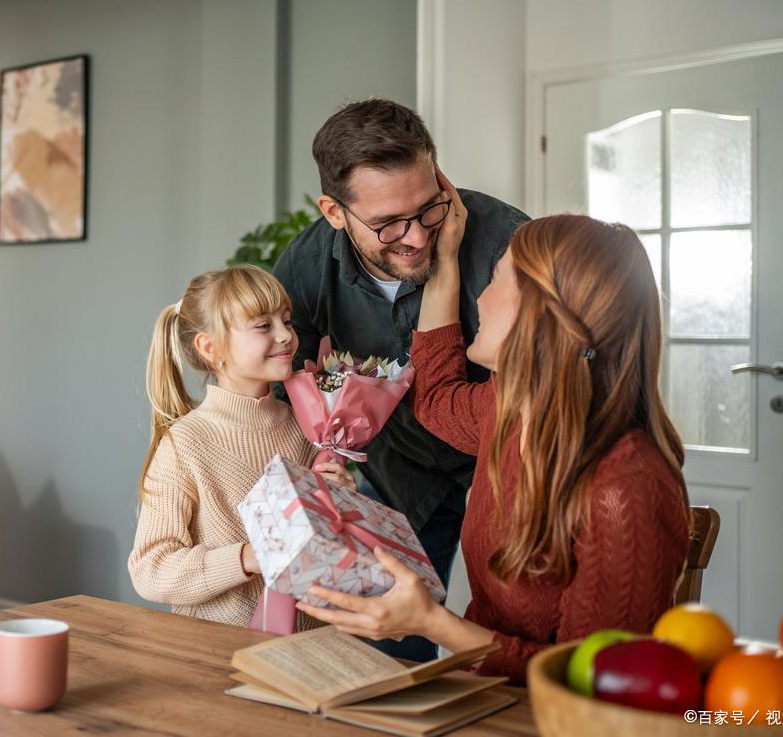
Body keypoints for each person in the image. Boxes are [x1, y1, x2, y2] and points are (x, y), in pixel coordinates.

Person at [298, 194, 692, 684]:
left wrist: (431, 623)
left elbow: (594, 680)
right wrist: (442, 263)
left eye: (499, 276)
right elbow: (436, 396)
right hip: (483, 697)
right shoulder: (510, 409)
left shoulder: (627, 485)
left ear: (544, 313)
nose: (480, 296)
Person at [273, 98, 528, 660]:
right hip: (393, 479)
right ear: (335, 213)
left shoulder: (507, 243)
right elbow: (281, 376)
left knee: (511, 646)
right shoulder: (308, 265)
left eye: (429, 208)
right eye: (388, 225)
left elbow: (553, 381)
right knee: (387, 654)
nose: (416, 237)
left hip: (507, 466)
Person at [127, 266, 352, 629]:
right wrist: (248, 558)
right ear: (209, 347)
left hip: (311, 648)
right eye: (263, 326)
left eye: (287, 321)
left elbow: (324, 555)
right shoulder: (186, 444)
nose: (285, 336)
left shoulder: (310, 427)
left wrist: (342, 506)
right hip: (219, 655)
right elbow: (150, 570)